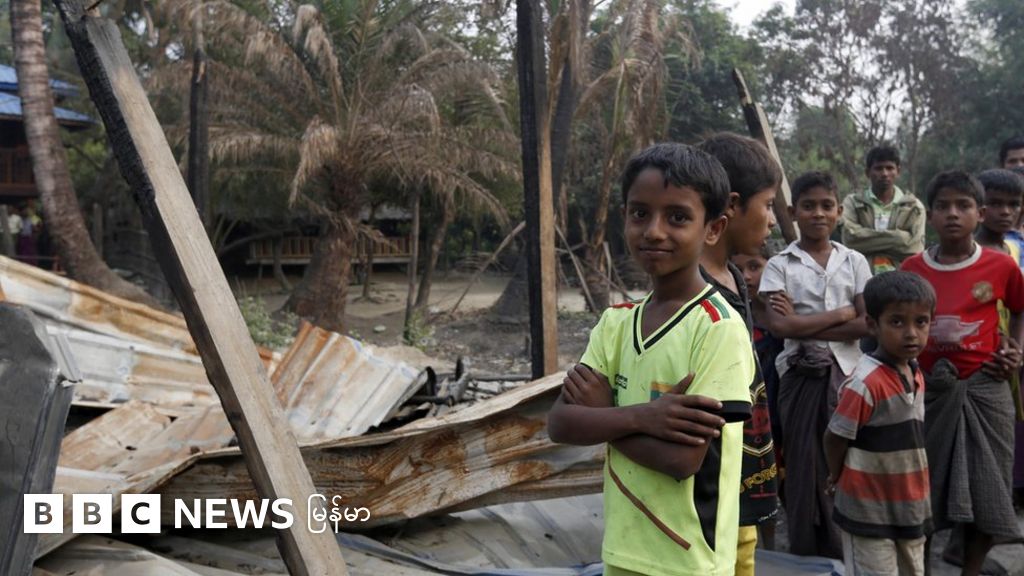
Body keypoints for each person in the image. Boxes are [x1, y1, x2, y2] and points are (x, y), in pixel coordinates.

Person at [548, 143, 754, 575]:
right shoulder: (616, 323)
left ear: (713, 228)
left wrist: (604, 414)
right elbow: (561, 424)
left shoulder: (717, 328)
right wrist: (644, 417)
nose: (654, 231)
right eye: (640, 213)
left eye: (677, 217)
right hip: (621, 550)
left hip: (690, 561)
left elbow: (681, 460)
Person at [901, 170, 1024, 576]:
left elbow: (1019, 308)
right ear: (930, 215)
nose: (953, 213)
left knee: (990, 491)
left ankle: (971, 570)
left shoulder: (1000, 265)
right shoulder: (912, 268)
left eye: (963, 205)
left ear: (980, 213)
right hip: (929, 392)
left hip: (988, 390)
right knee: (922, 492)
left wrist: (1015, 349)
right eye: (943, 206)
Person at [758, 171, 871, 558]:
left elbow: (866, 323)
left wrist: (803, 324)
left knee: (847, 459)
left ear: (839, 212)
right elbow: (779, 327)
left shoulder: (854, 261)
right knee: (803, 462)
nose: (818, 214)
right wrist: (842, 313)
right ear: (793, 212)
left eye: (826, 206)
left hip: (848, 376)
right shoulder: (780, 265)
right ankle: (807, 548)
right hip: (799, 376)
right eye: (808, 206)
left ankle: (845, 548)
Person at [695, 133, 780, 571]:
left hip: (742, 467)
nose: (773, 220)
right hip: (710, 483)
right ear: (731, 205)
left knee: (743, 554)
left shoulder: (732, 275)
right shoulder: (691, 292)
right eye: (768, 205)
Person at [823, 271, 935, 576]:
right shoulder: (865, 382)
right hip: (867, 508)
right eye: (897, 322)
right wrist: (836, 475)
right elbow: (835, 436)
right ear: (872, 325)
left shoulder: (915, 373)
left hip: (909, 504)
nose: (911, 333)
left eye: (921, 322)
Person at [732, 244, 785, 502]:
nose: (746, 276)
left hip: (785, 410)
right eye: (738, 269)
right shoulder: (735, 317)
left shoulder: (787, 312)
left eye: (755, 267)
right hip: (754, 416)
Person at [841, 145, 926, 275]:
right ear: (867, 172)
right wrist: (899, 238)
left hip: (902, 279)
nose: (885, 174)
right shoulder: (853, 202)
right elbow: (850, 240)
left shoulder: (913, 206)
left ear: (898, 171)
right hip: (861, 278)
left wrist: (867, 243)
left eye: (889, 168)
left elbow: (915, 248)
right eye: (878, 168)